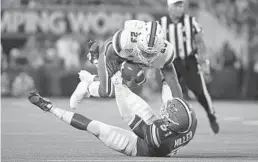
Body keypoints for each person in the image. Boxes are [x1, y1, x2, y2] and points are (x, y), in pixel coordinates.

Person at [28, 61, 197, 157]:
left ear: (169, 124)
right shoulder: (189, 121)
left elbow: (127, 117)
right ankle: (91, 80)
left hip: (139, 147)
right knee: (129, 94)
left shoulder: (157, 135)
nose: (165, 109)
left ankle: (49, 107)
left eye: (167, 114)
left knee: (95, 127)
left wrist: (116, 85)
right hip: (161, 136)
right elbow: (170, 82)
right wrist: (164, 61)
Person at [70, 20, 183, 112]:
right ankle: (85, 87)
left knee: (135, 81)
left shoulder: (166, 53)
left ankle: (91, 77)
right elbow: (110, 53)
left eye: (151, 54)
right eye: (144, 52)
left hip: (131, 59)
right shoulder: (125, 42)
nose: (147, 57)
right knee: (108, 92)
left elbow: (172, 81)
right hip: (114, 54)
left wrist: (180, 105)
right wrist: (104, 67)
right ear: (139, 41)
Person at [159, 0, 219, 134]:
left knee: (200, 92)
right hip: (170, 63)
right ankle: (168, 121)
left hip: (189, 62)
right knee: (168, 91)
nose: (180, 9)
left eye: (181, 6)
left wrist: (204, 62)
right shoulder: (161, 23)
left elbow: (200, 43)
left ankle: (211, 115)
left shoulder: (190, 21)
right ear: (169, 7)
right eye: (176, 6)